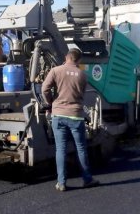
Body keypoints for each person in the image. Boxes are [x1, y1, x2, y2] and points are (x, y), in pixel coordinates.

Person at [41, 48, 100, 191]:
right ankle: (87, 179)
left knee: (60, 149)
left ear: (67, 57)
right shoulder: (82, 75)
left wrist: (50, 103)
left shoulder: (56, 70)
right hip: (75, 115)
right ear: (79, 60)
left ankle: (61, 183)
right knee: (81, 149)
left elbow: (44, 89)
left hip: (58, 115)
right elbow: (81, 94)